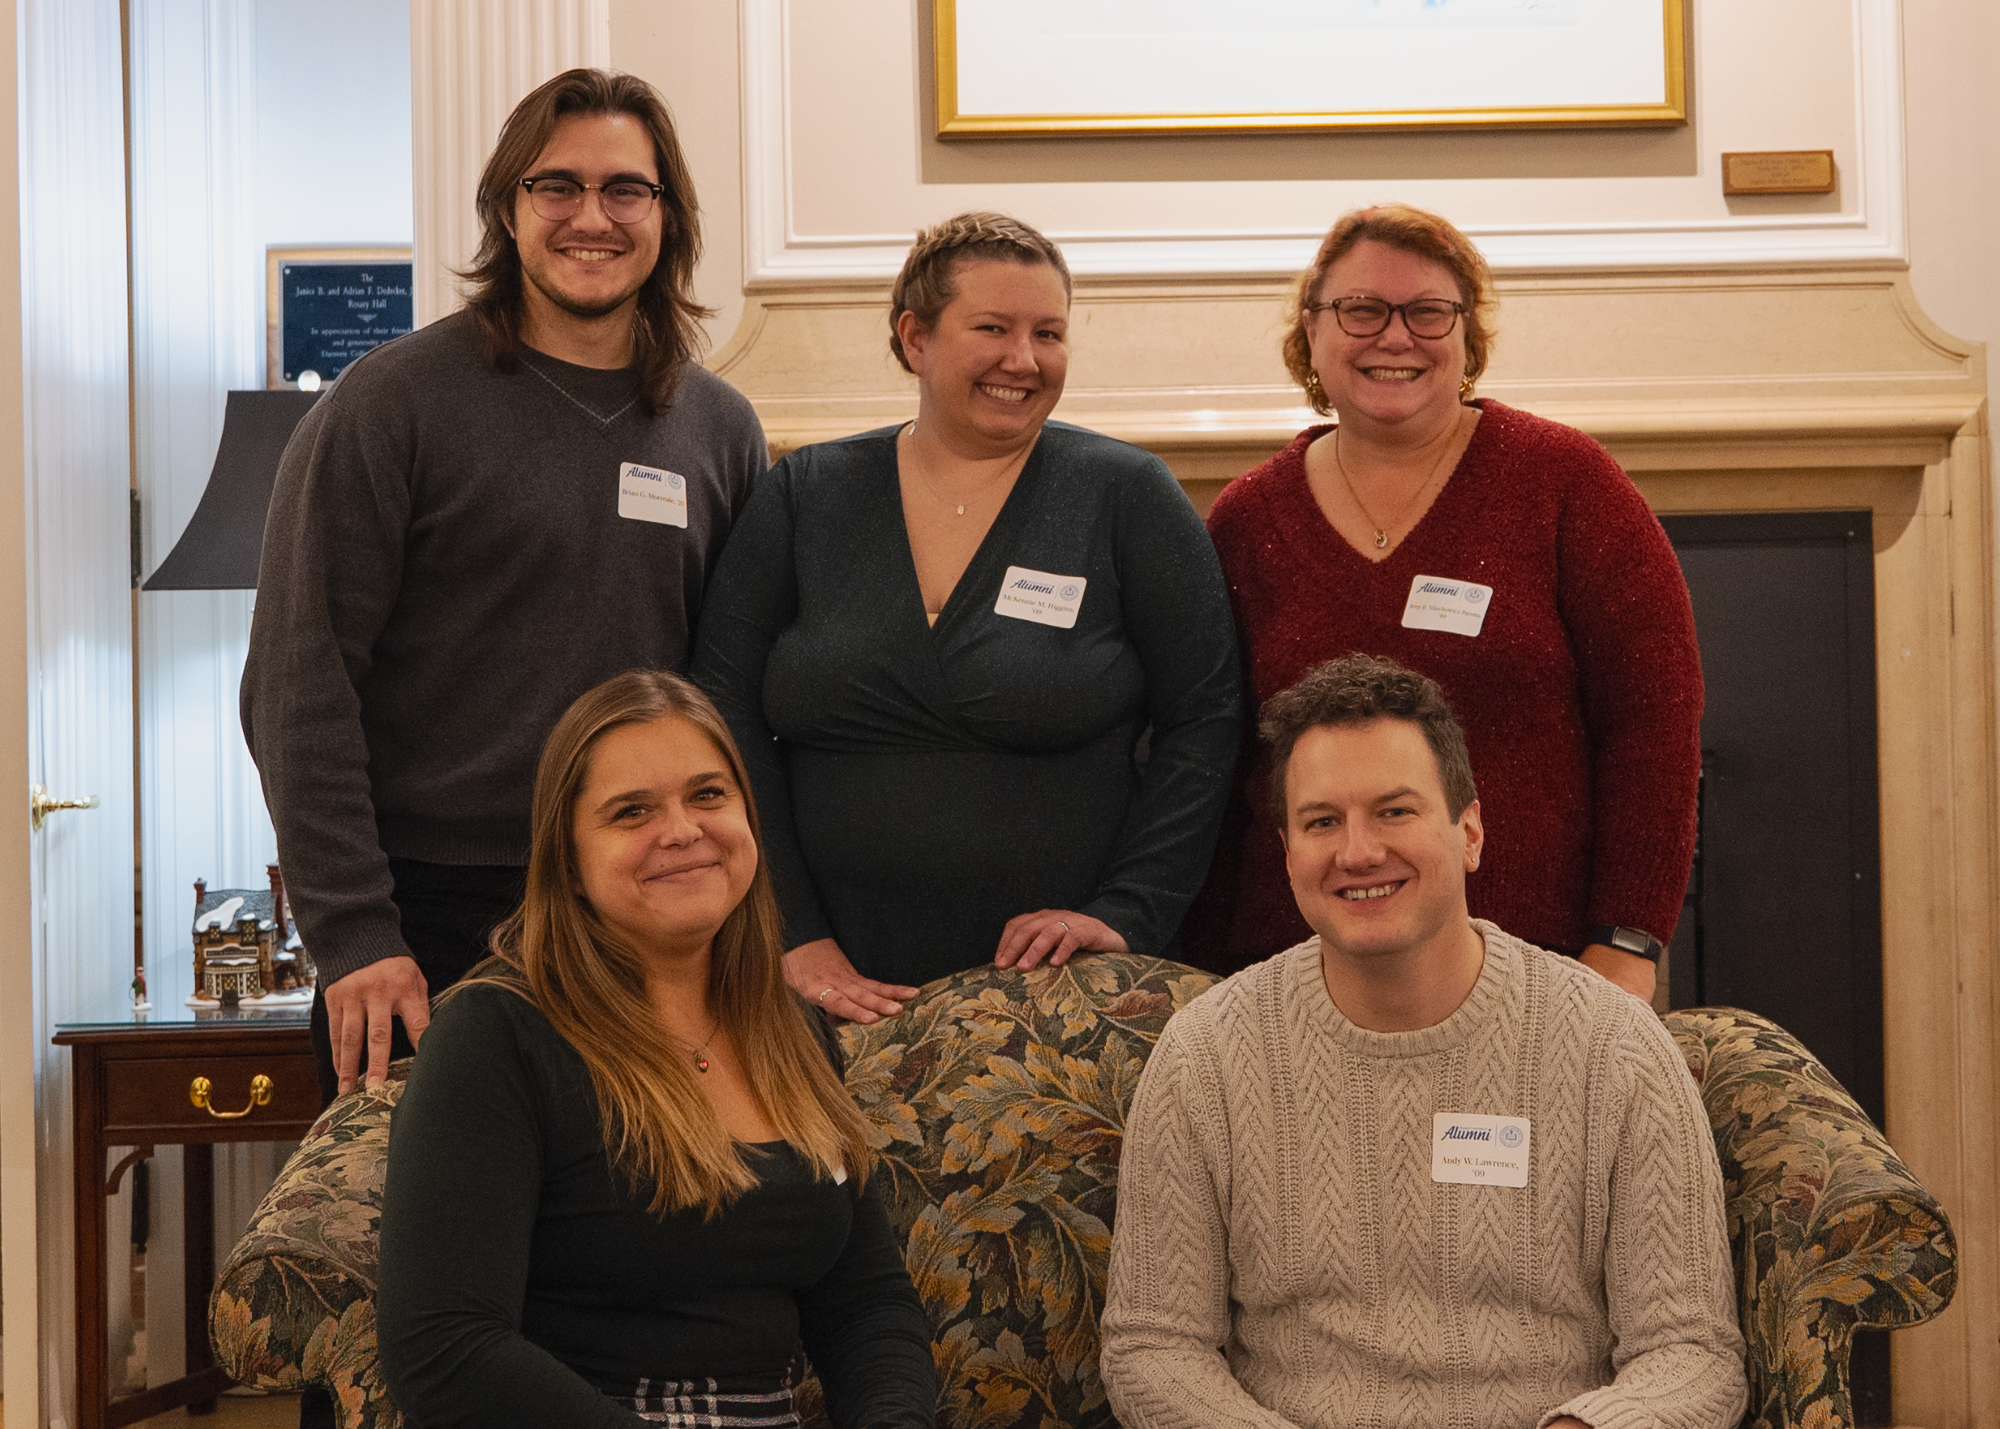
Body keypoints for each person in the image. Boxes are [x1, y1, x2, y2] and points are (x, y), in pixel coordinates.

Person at [241, 68, 768, 1105]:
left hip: (644, 909)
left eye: (625, 190)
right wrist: (354, 934)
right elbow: (299, 685)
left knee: (637, 1245)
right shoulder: (389, 405)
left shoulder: (717, 427)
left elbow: (730, 693)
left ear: (666, 217)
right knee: (430, 1253)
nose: (591, 217)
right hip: (429, 925)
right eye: (555, 187)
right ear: (506, 209)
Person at [1100, 654, 1746, 1429]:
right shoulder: (1204, 1054)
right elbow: (1151, 1346)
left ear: (1469, 830)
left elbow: (1694, 1352)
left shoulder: (1613, 1046)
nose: (1359, 851)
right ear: (1286, 851)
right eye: (1322, 821)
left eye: (1395, 811)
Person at [692, 211, 1240, 1019]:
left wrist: (1128, 911)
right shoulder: (806, 495)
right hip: (815, 977)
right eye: (993, 328)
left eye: (1048, 334)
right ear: (916, 337)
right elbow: (720, 712)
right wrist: (787, 931)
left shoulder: (1127, 497)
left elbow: (1209, 717)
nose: (1024, 360)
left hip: (1056, 987)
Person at [376, 670, 937, 1429]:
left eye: (708, 794)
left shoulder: (794, 1030)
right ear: (568, 861)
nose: (681, 829)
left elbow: (867, 1303)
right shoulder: (494, 1035)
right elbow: (442, 1348)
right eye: (630, 811)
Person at [1191, 204, 1701, 1000]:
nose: (1395, 337)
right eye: (1361, 309)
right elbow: (1213, 760)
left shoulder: (1567, 484)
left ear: (1466, 335)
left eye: (1428, 312)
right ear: (1312, 329)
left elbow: (1655, 721)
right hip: (1297, 980)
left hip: (1546, 974)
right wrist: (1205, 967)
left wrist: (1628, 939)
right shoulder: (1249, 519)